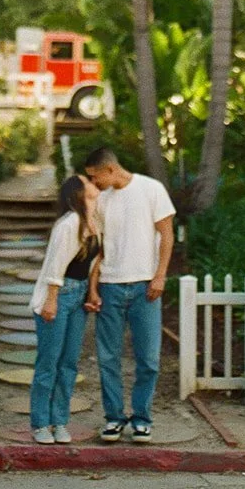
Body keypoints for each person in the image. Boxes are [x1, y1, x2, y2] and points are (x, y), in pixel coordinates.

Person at [84, 146, 175, 442]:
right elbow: (97, 249)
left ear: (110, 170)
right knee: (108, 357)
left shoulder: (151, 189)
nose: (94, 184)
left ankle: (141, 418)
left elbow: (167, 234)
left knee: (148, 358)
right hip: (110, 286)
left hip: (145, 287)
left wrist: (160, 275)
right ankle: (113, 418)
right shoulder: (102, 202)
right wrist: (93, 287)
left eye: (95, 177)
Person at [26, 173, 102, 445]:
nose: (95, 184)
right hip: (58, 295)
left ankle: (60, 421)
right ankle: (40, 423)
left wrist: (92, 293)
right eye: (88, 182)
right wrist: (51, 300)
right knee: (49, 362)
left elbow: (93, 265)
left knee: (69, 363)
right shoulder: (68, 224)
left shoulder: (96, 222)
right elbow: (56, 266)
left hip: (79, 296)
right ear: (78, 193)